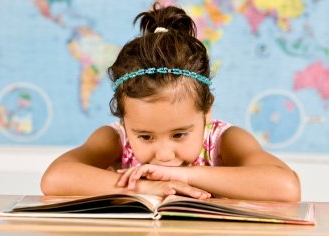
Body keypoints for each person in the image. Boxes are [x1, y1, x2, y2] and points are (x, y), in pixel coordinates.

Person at [41, 3, 300, 201]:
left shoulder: (224, 140)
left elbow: (286, 187)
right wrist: (142, 187)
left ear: (206, 112)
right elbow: (54, 178)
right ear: (124, 120)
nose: (164, 156)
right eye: (144, 137)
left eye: (178, 135)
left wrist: (182, 175)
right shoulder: (115, 139)